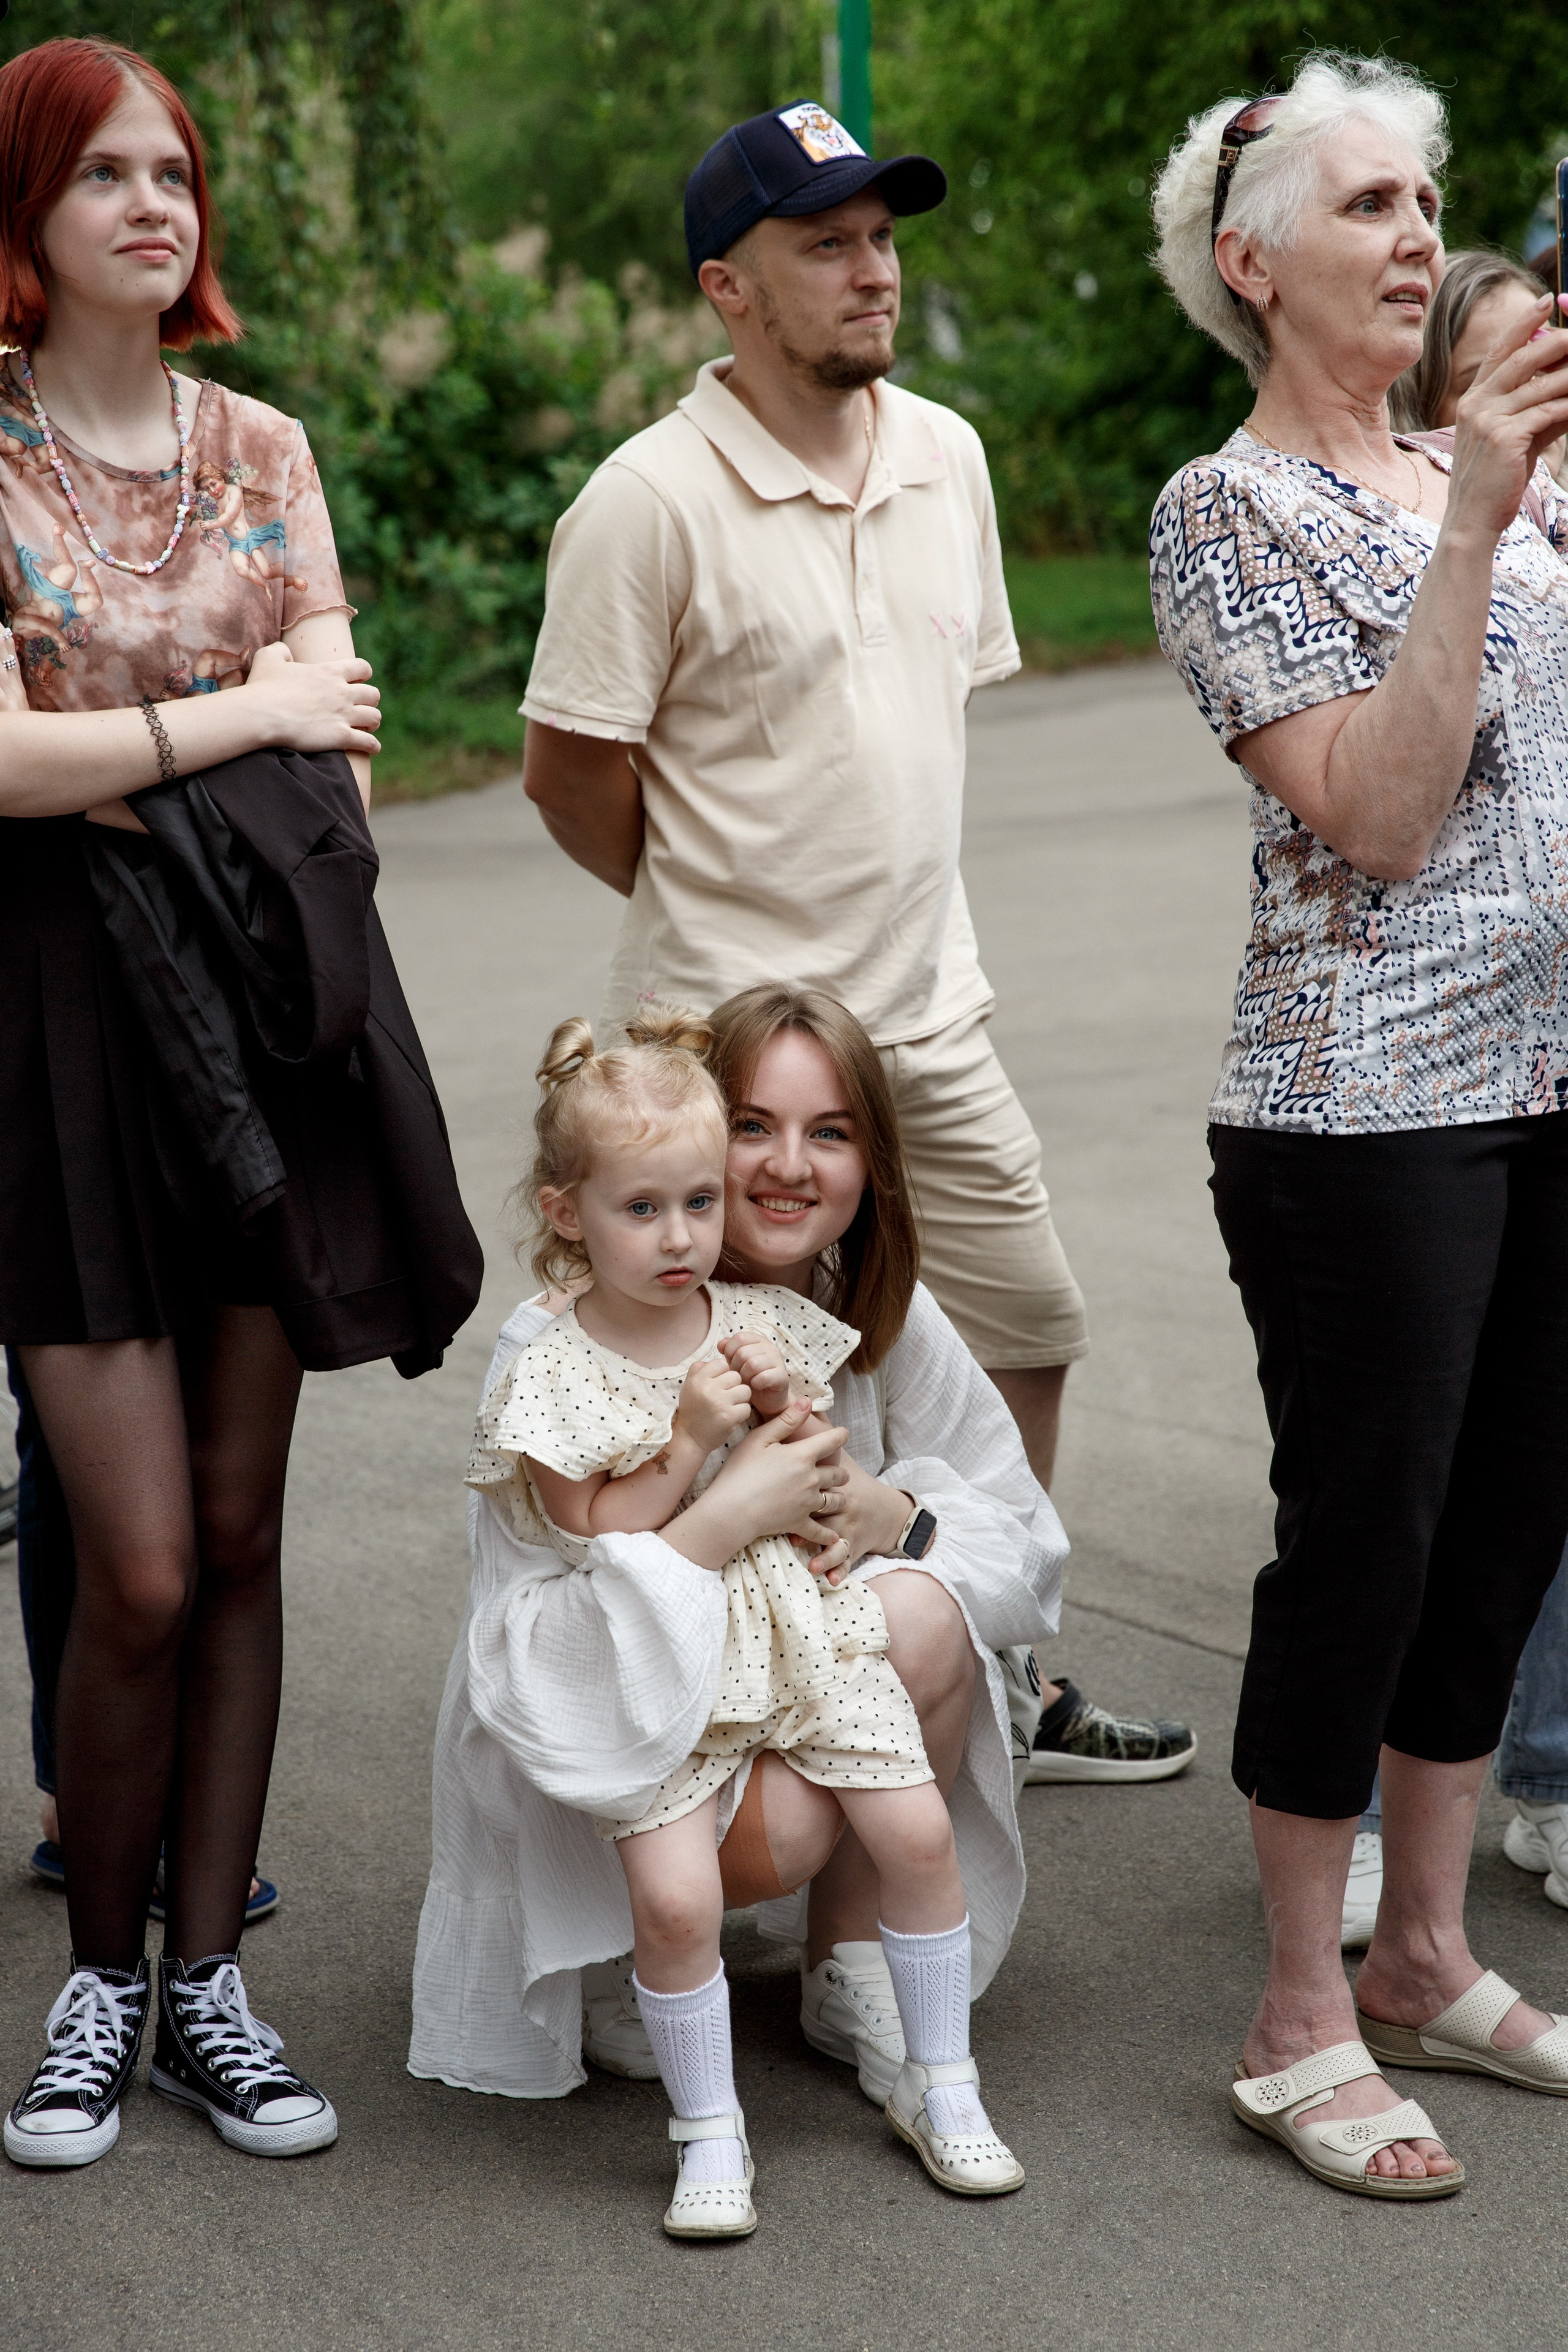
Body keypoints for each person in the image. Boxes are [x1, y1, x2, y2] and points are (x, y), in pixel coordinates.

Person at [518, 97, 1193, 1782]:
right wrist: (712, 922)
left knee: (1029, 1321)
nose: (872, 271)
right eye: (826, 244)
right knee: (730, 1380)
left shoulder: (946, 456)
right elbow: (570, 770)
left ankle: (996, 1654)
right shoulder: (645, 501)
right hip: (727, 1053)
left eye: (883, 238)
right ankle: (748, 1709)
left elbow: (913, 734)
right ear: (725, 291)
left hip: (929, 1020)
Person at [0, 37, 478, 2170]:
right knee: (144, 1564)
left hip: (270, 1016)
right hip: (52, 1039)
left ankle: (209, 1985)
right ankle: (98, 1979)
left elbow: (347, 737)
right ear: (23, 213)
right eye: (101, 171)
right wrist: (243, 710)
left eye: (173, 168)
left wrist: (207, 735)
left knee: (254, 1530)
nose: (153, 202)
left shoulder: (263, 440)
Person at [1150, 48, 1568, 2199]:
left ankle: (1423, 1953)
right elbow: (1390, 818)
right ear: (1253, 261)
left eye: (1434, 199)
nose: (1423, 235)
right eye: (1374, 205)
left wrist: (1501, 500)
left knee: (1498, 1545)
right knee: (1367, 1554)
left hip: (1552, 1084)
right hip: (1362, 1112)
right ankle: (1297, 2007)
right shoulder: (1231, 512)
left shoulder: (1510, 490)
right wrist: (1480, 516)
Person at [410, 985, 1066, 2135]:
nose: (786, 1166)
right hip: (622, 1716)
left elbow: (1024, 1547)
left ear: (874, 1161)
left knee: (921, 1611)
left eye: (831, 1133)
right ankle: (629, 1938)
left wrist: (889, 1512)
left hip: (788, 1672)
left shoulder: (871, 1314)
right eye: (755, 1124)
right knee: (782, 1821)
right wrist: (721, 1510)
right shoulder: (562, 1348)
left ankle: (847, 1957)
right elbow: (533, 1631)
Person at [1348, 249, 1568, 1948]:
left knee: (1524, 1468)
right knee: (1397, 1475)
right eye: (1506, 388)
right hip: (1408, 1080)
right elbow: (1388, 823)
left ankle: (1536, 1768)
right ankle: (1356, 1803)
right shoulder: (1412, 541)